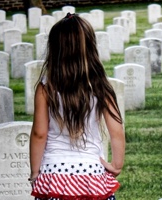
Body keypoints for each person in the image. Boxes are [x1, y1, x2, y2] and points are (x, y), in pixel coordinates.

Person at [29, 12, 125, 200]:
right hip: (92, 173)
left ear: (55, 49)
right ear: (90, 47)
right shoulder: (100, 85)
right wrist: (117, 165)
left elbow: (39, 134)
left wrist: (34, 172)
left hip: (53, 173)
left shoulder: (46, 87)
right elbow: (117, 131)